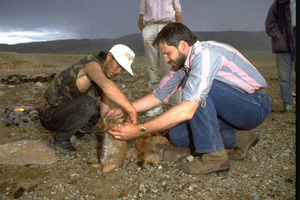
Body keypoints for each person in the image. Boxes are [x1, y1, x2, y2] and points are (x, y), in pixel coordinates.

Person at [108, 23, 271, 175]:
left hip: (254, 106)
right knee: (177, 135)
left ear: (182, 45)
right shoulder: (182, 64)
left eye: (167, 53)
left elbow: (187, 109)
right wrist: (126, 109)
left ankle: (214, 157)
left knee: (193, 87)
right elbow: (158, 95)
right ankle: (241, 137)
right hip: (231, 111)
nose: (165, 59)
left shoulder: (205, 55)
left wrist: (139, 129)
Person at [39, 44, 137, 153]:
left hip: (67, 115)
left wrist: (115, 129)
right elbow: (107, 86)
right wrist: (131, 109)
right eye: (118, 66)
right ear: (109, 57)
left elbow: (104, 110)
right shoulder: (91, 64)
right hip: (49, 115)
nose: (119, 72)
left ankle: (83, 131)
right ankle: (61, 140)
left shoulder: (105, 76)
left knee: (96, 106)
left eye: (123, 69)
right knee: (88, 104)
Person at [138, 0, 183, 117]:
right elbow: (141, 16)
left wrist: (176, 32)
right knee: (153, 68)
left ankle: (176, 105)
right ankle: (156, 106)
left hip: (167, 26)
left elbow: (178, 13)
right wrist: (145, 32)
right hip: (150, 27)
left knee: (172, 67)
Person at [265, 0, 296, 113]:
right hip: (284, 39)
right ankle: (288, 105)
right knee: (284, 76)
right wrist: (278, 35)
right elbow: (270, 22)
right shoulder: (279, 3)